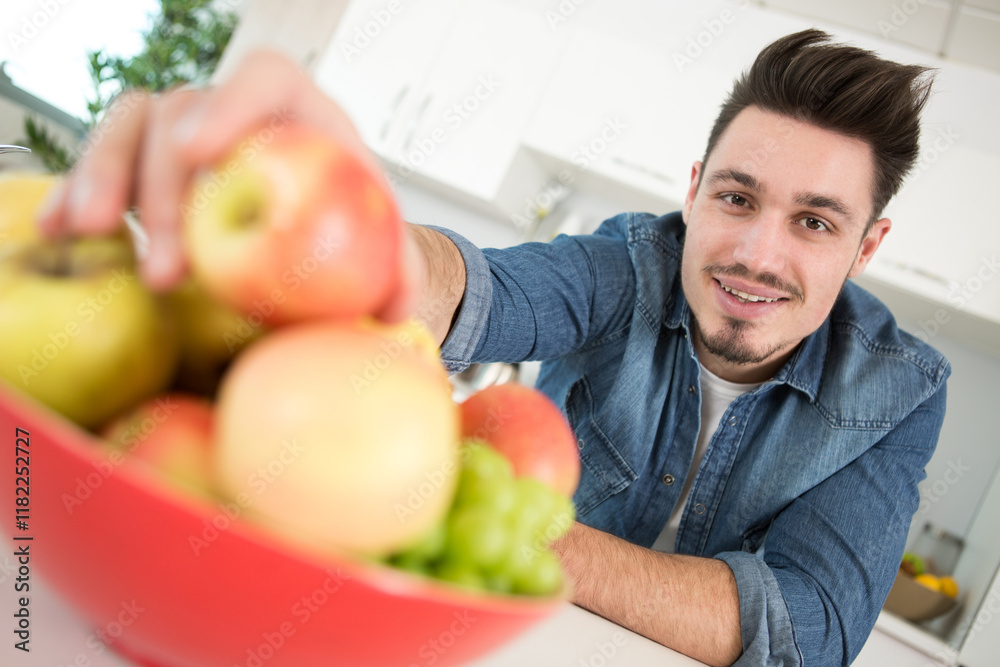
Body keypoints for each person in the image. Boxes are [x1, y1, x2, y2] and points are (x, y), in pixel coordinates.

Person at [40, 28, 949, 667]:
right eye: (737, 198)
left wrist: (505, 542)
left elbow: (803, 634)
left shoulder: (900, 390)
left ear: (866, 246)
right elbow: (478, 289)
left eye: (816, 221)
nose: (756, 253)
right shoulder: (634, 263)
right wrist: (351, 234)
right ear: (695, 188)